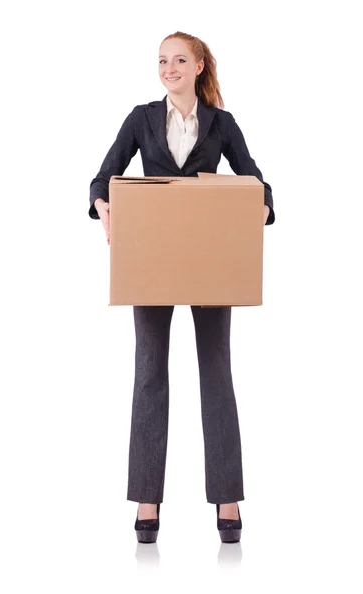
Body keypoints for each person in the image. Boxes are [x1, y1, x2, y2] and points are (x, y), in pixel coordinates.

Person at [88, 31, 275, 543]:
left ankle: (227, 498)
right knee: (149, 375)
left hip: (209, 261)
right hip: (151, 259)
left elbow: (255, 180)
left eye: (178, 60)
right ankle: (148, 499)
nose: (168, 68)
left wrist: (259, 208)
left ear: (198, 67)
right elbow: (104, 177)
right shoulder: (141, 118)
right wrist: (103, 205)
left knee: (217, 374)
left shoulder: (222, 123)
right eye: (162, 61)